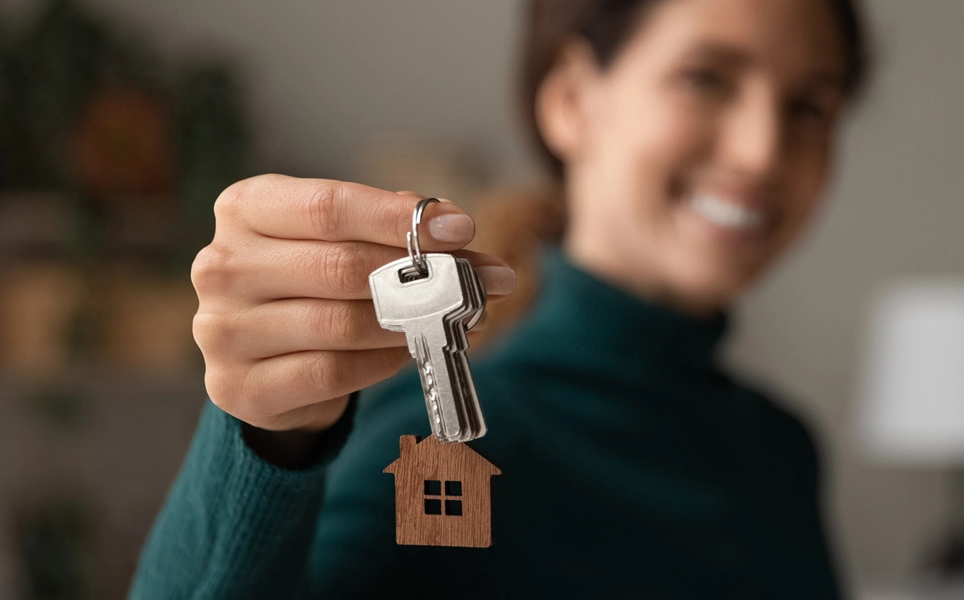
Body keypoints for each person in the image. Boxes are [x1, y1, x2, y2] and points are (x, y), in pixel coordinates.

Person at [130, 0, 870, 597]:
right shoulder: (445, 442)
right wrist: (268, 435)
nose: (762, 149)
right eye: (708, 78)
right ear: (573, 98)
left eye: (809, 106)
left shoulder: (780, 448)